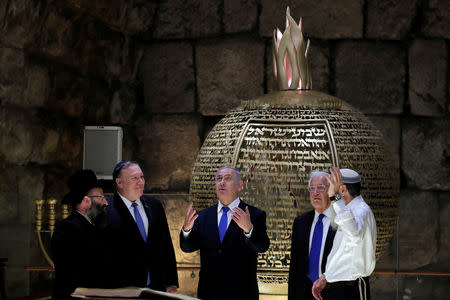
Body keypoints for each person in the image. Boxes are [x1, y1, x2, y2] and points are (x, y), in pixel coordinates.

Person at [180, 166, 270, 300]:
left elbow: (262, 246)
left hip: (242, 293)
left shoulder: (254, 214)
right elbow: (187, 248)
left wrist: (248, 230)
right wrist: (186, 230)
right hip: (209, 292)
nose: (222, 182)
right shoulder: (203, 216)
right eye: (219, 179)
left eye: (227, 179)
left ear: (239, 185)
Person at [105, 161, 178, 292]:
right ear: (119, 182)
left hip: (157, 287)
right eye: (134, 178)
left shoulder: (155, 205)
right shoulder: (106, 210)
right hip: (122, 289)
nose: (141, 182)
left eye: (142, 177)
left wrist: (171, 281)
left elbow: (166, 244)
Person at [312, 168, 377, 300]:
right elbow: (344, 252)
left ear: (342, 190)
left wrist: (335, 199)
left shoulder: (361, 211)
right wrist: (326, 277)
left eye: (330, 188)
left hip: (351, 289)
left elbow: (355, 236)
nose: (327, 192)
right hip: (338, 288)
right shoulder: (349, 210)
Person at [51, 169, 109, 300]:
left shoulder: (95, 228)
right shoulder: (68, 229)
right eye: (101, 197)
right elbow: (73, 276)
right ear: (86, 201)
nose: (106, 202)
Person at [288, 170, 338, 300]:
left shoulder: (341, 220)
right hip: (303, 292)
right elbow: (295, 267)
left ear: (331, 191)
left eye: (321, 188)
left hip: (332, 292)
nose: (315, 193)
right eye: (312, 188)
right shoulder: (300, 222)